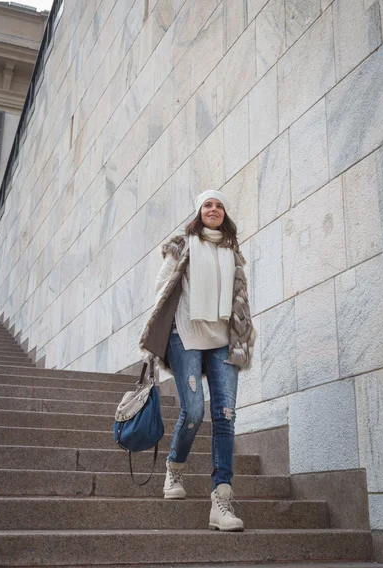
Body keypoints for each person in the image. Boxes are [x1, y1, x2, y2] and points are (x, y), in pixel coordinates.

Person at [139, 189, 255, 531]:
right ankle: (174, 469)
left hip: (222, 341)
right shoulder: (183, 245)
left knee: (226, 416)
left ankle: (220, 502)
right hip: (184, 334)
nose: (214, 209)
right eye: (208, 204)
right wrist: (156, 335)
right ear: (199, 212)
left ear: (225, 214)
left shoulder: (232, 253)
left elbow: (239, 301)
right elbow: (162, 289)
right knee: (192, 411)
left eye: (219, 205)